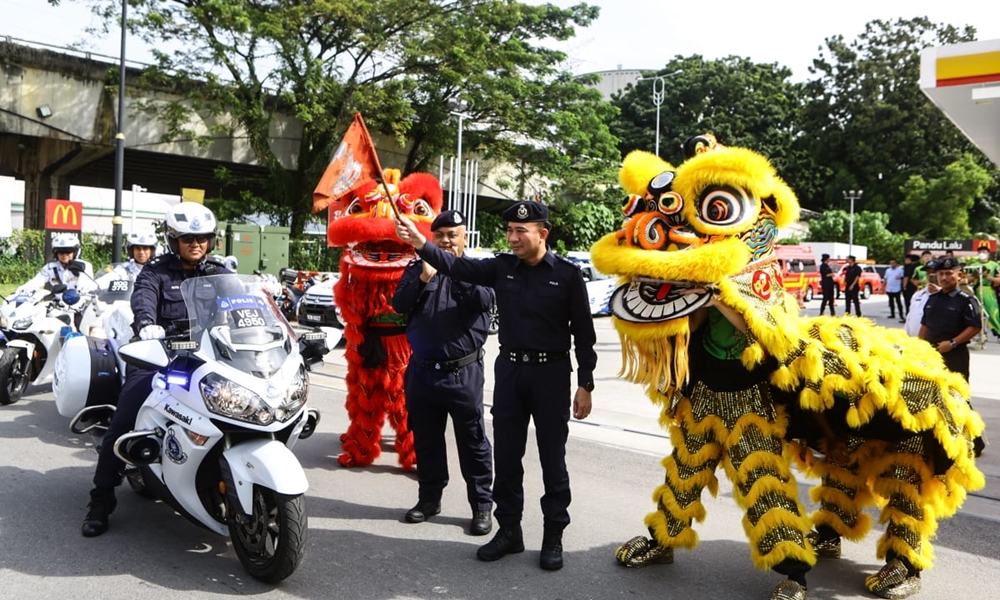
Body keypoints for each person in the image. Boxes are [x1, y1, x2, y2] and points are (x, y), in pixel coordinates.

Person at [394, 200, 597, 571]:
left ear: (542, 233)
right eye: (510, 231)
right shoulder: (501, 268)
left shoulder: (567, 275)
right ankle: (509, 532)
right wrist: (421, 244)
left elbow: (584, 332)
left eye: (521, 231)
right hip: (510, 373)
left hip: (550, 375)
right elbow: (456, 265)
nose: (514, 237)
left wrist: (586, 382)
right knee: (506, 457)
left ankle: (553, 536)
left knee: (553, 460)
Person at [81, 203, 229, 537]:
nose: (196, 244)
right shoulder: (156, 272)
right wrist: (147, 323)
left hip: (210, 356)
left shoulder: (219, 272)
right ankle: (101, 499)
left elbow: (240, 301)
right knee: (124, 418)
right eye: (187, 238)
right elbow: (143, 300)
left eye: (202, 237)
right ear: (173, 239)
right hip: (160, 356)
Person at [392, 210, 496, 536]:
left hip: (462, 374)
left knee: (473, 443)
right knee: (427, 440)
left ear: (465, 237)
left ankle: (481, 507)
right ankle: (429, 499)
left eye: (453, 235)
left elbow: (484, 300)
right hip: (422, 372)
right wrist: (424, 277)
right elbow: (399, 304)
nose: (447, 241)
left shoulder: (480, 271)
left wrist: (455, 272)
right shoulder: (416, 269)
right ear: (432, 237)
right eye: (440, 236)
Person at [918, 256, 984, 456]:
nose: (944, 277)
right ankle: (940, 437)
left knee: (958, 397)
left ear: (959, 275)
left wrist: (953, 343)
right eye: (941, 274)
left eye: (949, 273)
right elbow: (925, 325)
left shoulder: (965, 300)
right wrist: (919, 348)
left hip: (955, 354)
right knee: (933, 397)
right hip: (933, 355)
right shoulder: (932, 299)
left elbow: (975, 326)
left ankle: (975, 440)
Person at [16, 233, 97, 297]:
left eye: (68, 251)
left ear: (75, 252)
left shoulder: (84, 266)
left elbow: (85, 287)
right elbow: (36, 281)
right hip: (57, 305)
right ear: (56, 253)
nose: (64, 255)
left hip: (79, 304)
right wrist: (20, 291)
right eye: (60, 252)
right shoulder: (50, 267)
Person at [901, 254, 920, 319]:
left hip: (909, 288)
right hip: (918, 287)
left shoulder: (909, 267)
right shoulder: (920, 267)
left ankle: (908, 317)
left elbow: (906, 277)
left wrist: (904, 286)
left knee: (908, 303)